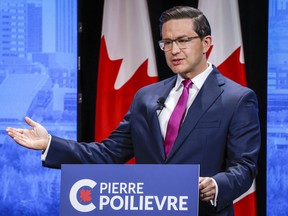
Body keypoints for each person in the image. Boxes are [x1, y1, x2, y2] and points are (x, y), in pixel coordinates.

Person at [6, 6, 260, 216]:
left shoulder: (237, 99)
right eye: (167, 42)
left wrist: (215, 185)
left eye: (183, 41)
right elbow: (107, 153)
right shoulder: (146, 97)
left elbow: (244, 167)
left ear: (206, 43)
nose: (174, 50)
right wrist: (49, 143)